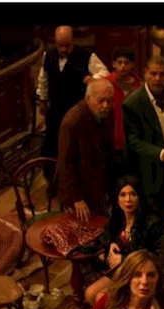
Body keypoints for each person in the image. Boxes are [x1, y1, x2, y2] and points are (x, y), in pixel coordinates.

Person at [83, 175, 164, 306]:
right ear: (117, 198)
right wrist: (111, 244)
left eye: (133, 194)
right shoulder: (118, 216)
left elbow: (154, 257)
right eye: (123, 195)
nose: (128, 199)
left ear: (140, 196)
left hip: (140, 274)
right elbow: (107, 236)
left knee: (101, 298)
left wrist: (123, 260)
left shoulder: (152, 222)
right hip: (122, 271)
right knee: (90, 294)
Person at [122, 55, 164, 216]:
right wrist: (161, 154)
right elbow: (132, 140)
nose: (158, 79)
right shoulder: (133, 102)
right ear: (145, 73)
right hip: (146, 170)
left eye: (162, 74)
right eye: (153, 74)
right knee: (147, 213)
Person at [37, 26, 109, 163]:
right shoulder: (48, 56)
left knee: (76, 143)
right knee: (53, 142)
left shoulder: (86, 55)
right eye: (60, 46)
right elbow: (43, 79)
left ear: (73, 41)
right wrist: (43, 99)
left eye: (67, 45)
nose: (64, 49)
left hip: (77, 108)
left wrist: (93, 78)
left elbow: (105, 73)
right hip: (55, 108)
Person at [56, 79, 115, 222]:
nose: (106, 105)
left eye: (109, 101)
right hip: (79, 190)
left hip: (98, 184)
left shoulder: (106, 113)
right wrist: (76, 199)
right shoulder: (72, 122)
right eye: (101, 101)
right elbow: (65, 163)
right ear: (88, 98)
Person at [105, 47, 143, 200]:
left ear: (132, 65)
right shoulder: (106, 84)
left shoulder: (139, 87)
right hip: (112, 142)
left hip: (132, 142)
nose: (122, 66)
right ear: (113, 64)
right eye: (119, 62)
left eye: (126, 62)